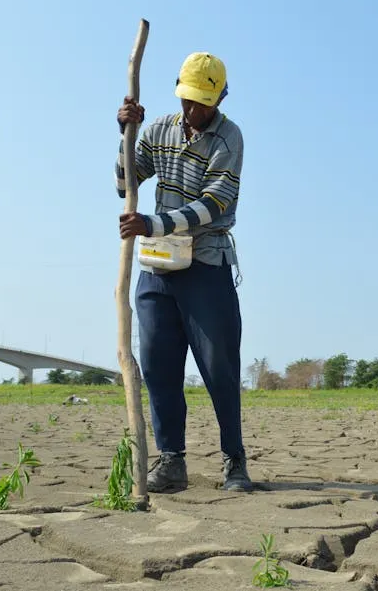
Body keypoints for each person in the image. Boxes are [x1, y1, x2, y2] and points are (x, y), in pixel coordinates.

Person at [114, 51, 252, 493]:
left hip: (205, 265)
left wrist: (152, 224)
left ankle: (234, 461)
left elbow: (213, 206)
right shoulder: (158, 131)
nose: (194, 111)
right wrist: (125, 134)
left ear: (221, 97)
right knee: (157, 365)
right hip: (157, 268)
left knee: (219, 367)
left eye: (203, 103)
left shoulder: (229, 139)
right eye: (188, 100)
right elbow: (125, 183)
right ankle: (171, 461)